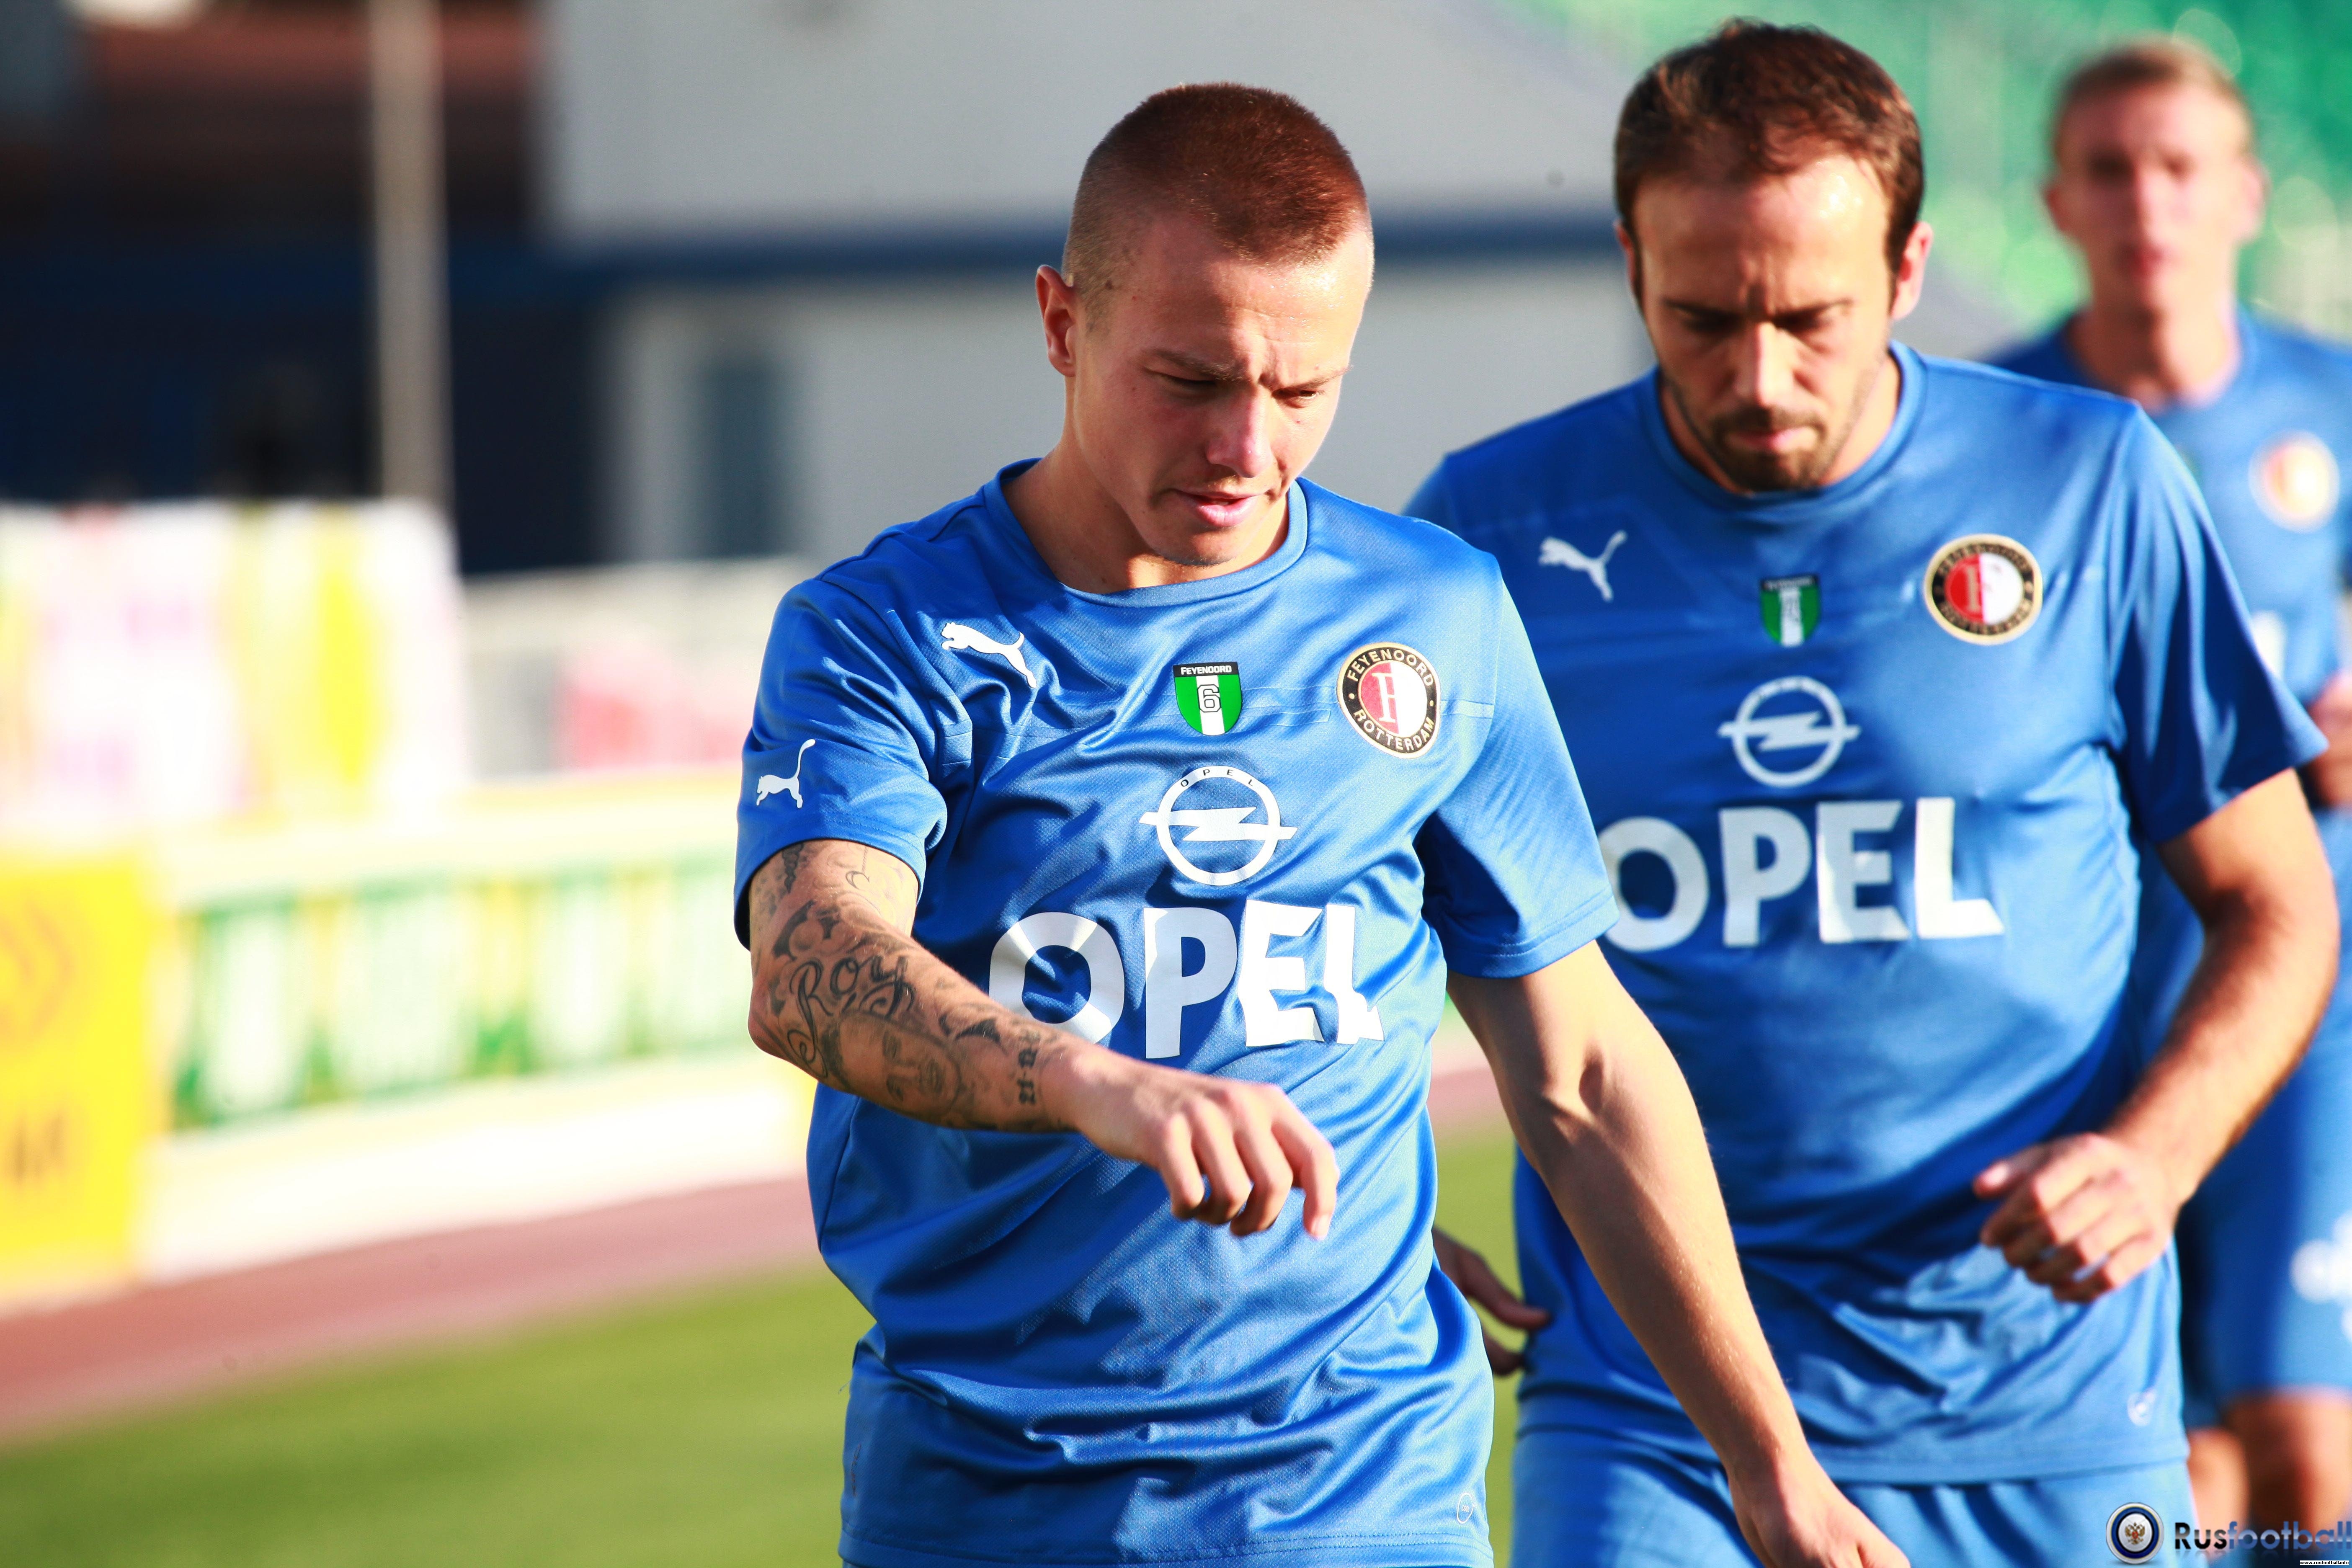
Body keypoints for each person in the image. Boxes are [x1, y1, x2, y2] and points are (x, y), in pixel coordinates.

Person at [734, 83, 1898, 1568]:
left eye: (1302, 391)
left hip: (1362, 1493)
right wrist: (1099, 1087)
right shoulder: (883, 631)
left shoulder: (1433, 613)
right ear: (1062, 323)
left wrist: (1772, 1466)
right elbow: (812, 964)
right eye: (1190, 380)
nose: (1246, 445)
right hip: (985, 1498)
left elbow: (1587, 1069)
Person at [1410, 23, 2338, 1568]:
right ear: (1631, 261)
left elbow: (2277, 900)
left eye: (1809, 319)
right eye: (1702, 318)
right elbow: (1347, 895)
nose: (1758, 377)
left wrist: (2152, 1160)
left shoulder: (2089, 483)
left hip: (2045, 1398)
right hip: (1650, 1409)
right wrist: (1375, 1204)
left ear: (1908, 270)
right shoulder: (1493, 534)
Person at [1994, 38, 2352, 1550]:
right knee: (2156, 1453)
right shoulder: (2000, 428)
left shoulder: (2332, 406)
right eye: (2111, 169)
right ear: (2056, 202)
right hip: (2072, 991)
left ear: (2247, 194)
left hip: (2298, 992)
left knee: (2304, 1438)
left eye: (2180, 167)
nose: (2149, 203)